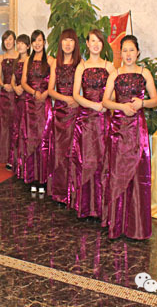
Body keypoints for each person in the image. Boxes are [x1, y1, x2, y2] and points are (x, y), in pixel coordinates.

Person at [102, 35, 157, 239]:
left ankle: (136, 226)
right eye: (124, 50)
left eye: (131, 50)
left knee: (137, 175)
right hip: (118, 129)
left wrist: (142, 103)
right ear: (120, 53)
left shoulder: (144, 73)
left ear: (138, 52)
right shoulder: (115, 74)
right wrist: (121, 106)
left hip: (137, 130)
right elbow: (105, 101)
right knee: (117, 174)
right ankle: (116, 224)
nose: (128, 54)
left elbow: (155, 100)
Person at [70, 29, 115, 218]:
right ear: (87, 44)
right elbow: (75, 94)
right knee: (86, 160)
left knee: (104, 161)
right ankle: (86, 205)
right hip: (85, 120)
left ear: (102, 44)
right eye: (92, 41)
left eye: (99, 41)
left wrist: (105, 104)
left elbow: (114, 93)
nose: (96, 44)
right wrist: (93, 105)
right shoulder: (81, 66)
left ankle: (102, 207)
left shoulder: (109, 66)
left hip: (104, 120)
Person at [46, 29, 80, 204]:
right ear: (60, 43)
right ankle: (59, 191)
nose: (67, 44)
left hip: (75, 113)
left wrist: (77, 100)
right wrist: (67, 98)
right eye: (65, 40)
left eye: (71, 40)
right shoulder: (55, 63)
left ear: (75, 44)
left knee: (73, 152)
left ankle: (73, 192)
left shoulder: (80, 64)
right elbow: (50, 90)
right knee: (58, 151)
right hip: (59, 112)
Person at [21, 30, 54, 193]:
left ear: (44, 42)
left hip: (45, 104)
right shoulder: (28, 60)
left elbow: (53, 83)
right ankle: (32, 176)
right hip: (30, 103)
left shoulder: (51, 60)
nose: (37, 44)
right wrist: (34, 93)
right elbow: (23, 82)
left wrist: (45, 93)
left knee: (44, 139)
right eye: (34, 41)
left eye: (40, 40)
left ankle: (44, 178)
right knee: (31, 139)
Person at [0, 29, 18, 169]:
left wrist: (14, 86)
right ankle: (7, 157)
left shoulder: (20, 56)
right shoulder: (1, 57)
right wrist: (4, 84)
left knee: (16, 125)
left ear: (14, 41)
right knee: (5, 126)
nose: (8, 42)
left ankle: (15, 157)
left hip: (16, 95)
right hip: (5, 95)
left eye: (10, 39)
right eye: (6, 39)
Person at [10, 34, 30, 178]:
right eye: (18, 43)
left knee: (25, 130)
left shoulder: (30, 60)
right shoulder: (16, 61)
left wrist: (22, 87)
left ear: (28, 46)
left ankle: (25, 164)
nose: (20, 46)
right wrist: (15, 87)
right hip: (17, 98)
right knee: (16, 129)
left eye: (22, 43)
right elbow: (12, 78)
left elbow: (31, 79)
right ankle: (16, 162)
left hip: (27, 98)